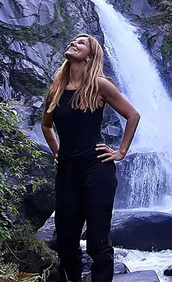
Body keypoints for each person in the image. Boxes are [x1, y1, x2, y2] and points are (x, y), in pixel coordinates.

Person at [41, 34, 141, 282]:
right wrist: (57, 152)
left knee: (97, 241)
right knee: (65, 242)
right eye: (73, 41)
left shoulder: (99, 85)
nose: (73, 43)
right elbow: (46, 125)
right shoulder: (56, 90)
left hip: (96, 168)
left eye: (81, 43)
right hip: (66, 171)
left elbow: (133, 115)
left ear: (90, 56)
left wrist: (120, 152)